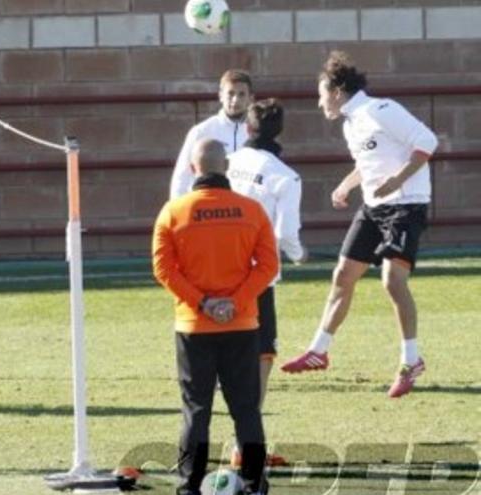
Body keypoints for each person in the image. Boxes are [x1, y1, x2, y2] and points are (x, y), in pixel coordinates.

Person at [280, 51, 439, 399]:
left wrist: (396, 182)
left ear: (336, 91)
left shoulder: (381, 110)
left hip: (405, 206)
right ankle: (318, 351)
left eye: (321, 94)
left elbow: (427, 143)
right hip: (373, 207)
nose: (319, 102)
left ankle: (411, 361)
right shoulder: (351, 123)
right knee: (342, 276)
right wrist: (346, 185)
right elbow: (369, 162)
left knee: (392, 281)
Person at [153, 139, 279, 495]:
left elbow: (163, 269)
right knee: (246, 410)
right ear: (225, 167)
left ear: (194, 168)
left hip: (193, 327)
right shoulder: (251, 210)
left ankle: (189, 485)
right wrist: (235, 302)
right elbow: (268, 266)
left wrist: (203, 303)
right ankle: (255, 484)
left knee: (196, 409)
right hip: (242, 326)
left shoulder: (173, 212)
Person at [226, 99, 306, 468]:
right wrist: (298, 254)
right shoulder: (284, 175)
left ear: (247, 128)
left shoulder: (228, 161)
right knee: (260, 356)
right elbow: (286, 233)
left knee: (217, 357)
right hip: (257, 278)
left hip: (216, 270)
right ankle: (246, 444)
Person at [169, 69, 253, 200]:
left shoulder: (255, 133)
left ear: (250, 98)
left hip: (244, 210)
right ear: (220, 95)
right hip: (208, 208)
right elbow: (182, 175)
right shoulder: (202, 131)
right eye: (230, 93)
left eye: (241, 94)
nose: (235, 100)